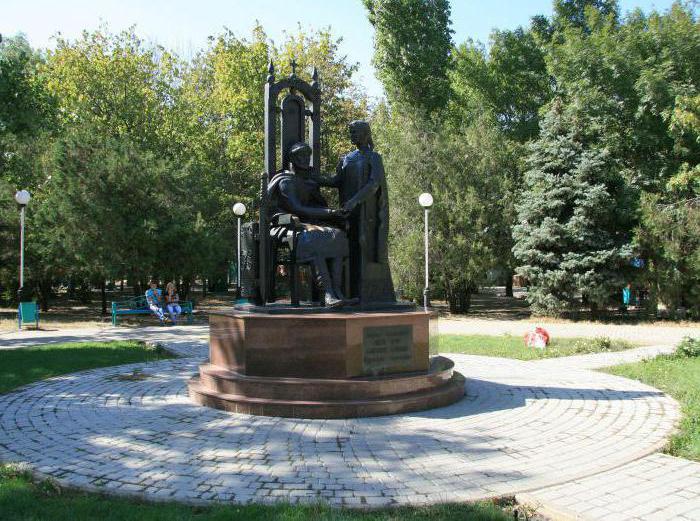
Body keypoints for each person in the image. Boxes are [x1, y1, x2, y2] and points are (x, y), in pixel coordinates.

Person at [314, 120, 395, 303]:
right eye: (350, 132)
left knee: (364, 250)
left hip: (367, 215)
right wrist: (314, 178)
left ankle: (368, 295)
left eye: (355, 132)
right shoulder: (346, 158)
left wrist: (354, 201)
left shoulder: (374, 157)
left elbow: (374, 184)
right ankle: (346, 293)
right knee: (344, 249)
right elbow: (336, 181)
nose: (352, 135)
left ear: (366, 134)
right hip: (347, 213)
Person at [268, 141, 350, 307]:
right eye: (301, 156)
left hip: (307, 222)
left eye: (307, 156)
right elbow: (297, 209)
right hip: (286, 222)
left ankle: (338, 291)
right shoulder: (286, 181)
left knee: (338, 236)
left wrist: (342, 168)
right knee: (314, 239)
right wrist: (330, 213)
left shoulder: (307, 179)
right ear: (293, 159)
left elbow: (331, 182)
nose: (305, 159)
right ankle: (327, 293)